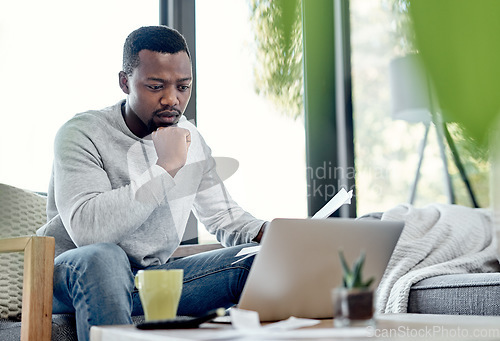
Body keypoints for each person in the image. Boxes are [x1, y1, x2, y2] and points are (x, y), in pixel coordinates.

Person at [37, 25, 267, 341]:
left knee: (257, 261)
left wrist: (270, 234)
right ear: (124, 82)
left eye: (184, 87)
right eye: (156, 86)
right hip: (72, 276)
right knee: (105, 258)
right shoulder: (82, 133)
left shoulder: (191, 140)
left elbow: (225, 218)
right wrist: (165, 168)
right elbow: (90, 233)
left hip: (148, 281)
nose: (172, 99)